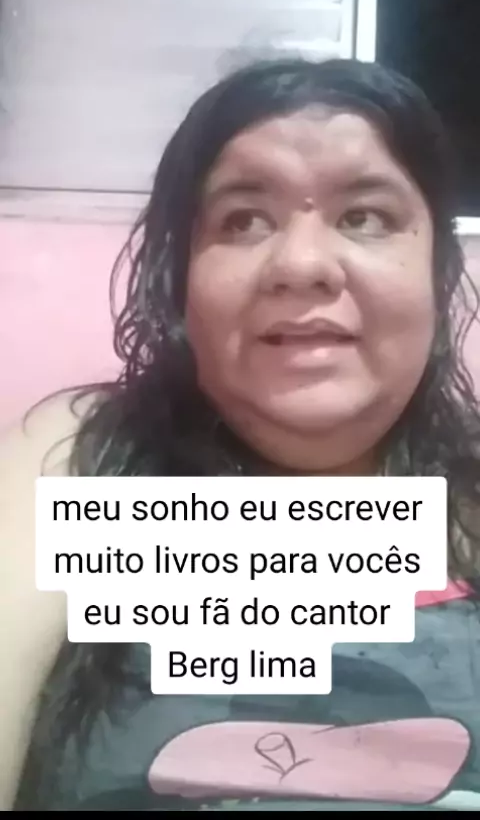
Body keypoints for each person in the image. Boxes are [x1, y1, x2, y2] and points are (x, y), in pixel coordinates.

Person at [1, 55, 480, 812]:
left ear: (437, 274)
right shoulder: (86, 460)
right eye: (243, 220)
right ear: (181, 287)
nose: (302, 264)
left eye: (365, 217)